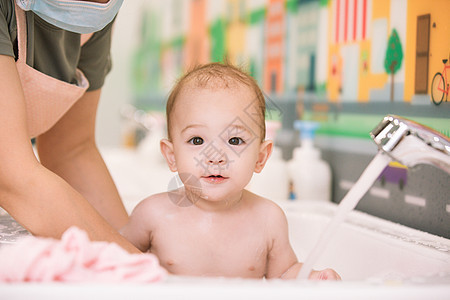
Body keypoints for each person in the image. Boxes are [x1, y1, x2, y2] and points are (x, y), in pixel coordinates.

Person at [120, 63, 341, 280]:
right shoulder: (152, 215)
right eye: (197, 140)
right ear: (171, 155)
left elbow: (284, 273)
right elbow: (115, 262)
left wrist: (312, 278)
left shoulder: (268, 219)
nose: (216, 156)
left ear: (261, 157)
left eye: (235, 140)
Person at [0, 0, 138, 253]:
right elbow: (10, 175)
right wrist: (140, 265)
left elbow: (72, 150)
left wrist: (139, 248)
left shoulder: (94, 15)